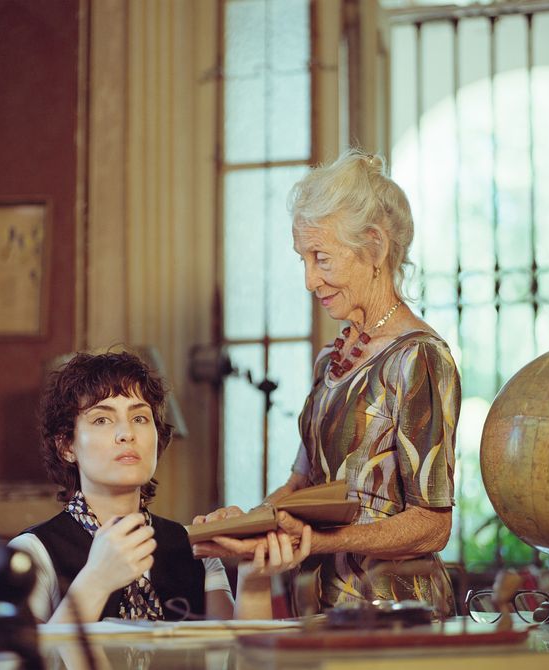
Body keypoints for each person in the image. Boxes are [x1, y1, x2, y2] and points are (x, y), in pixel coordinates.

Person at [194, 149, 461, 616]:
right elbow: (301, 483)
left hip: (397, 615)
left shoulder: (419, 358)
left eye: (321, 258)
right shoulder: (330, 361)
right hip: (321, 607)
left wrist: (319, 540)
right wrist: (248, 524)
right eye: (303, 259)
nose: (308, 279)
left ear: (374, 248)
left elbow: (432, 526)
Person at [8, 350, 310, 623]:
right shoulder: (31, 554)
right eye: (102, 420)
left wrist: (253, 579)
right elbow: (16, 661)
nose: (126, 433)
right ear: (66, 446)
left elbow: (234, 660)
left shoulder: (195, 549)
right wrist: (95, 582)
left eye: (140, 417)